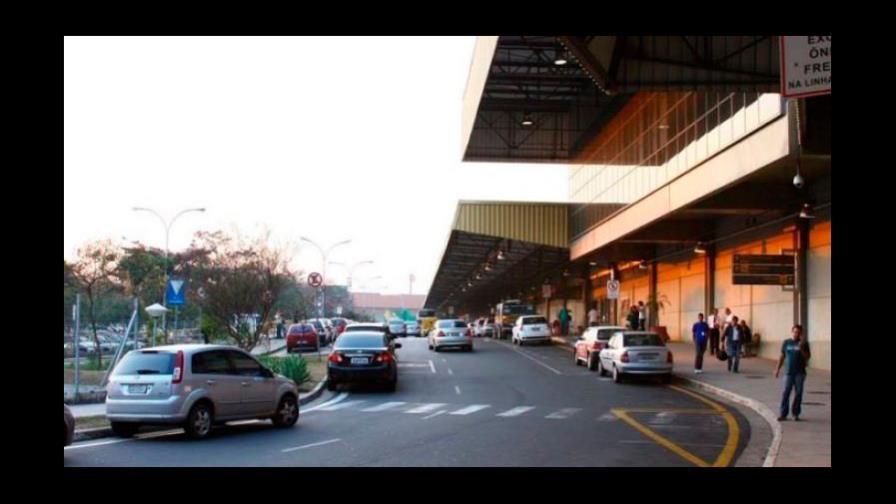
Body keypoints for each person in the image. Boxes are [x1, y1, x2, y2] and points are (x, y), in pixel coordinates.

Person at [775, 324, 811, 421]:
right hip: (788, 372)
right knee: (786, 392)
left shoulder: (804, 344)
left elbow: (807, 357)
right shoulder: (786, 342)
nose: (796, 334)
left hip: (800, 372)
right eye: (795, 332)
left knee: (798, 393)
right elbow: (782, 356)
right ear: (792, 332)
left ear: (801, 334)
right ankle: (783, 414)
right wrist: (777, 369)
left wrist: (801, 349)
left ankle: (795, 414)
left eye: (798, 333)